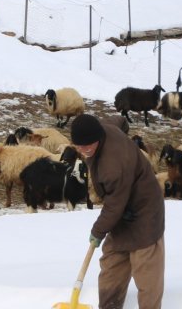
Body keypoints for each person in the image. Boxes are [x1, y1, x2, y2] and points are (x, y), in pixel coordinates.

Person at [70, 113, 165, 309]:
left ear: (98, 138)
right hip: (121, 213)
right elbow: (120, 120)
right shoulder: (104, 127)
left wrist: (97, 231)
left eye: (87, 145)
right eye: (79, 145)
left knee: (146, 273)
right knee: (112, 265)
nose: (83, 150)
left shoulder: (113, 166)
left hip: (144, 212)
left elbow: (114, 205)